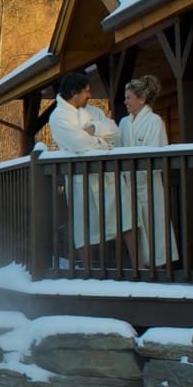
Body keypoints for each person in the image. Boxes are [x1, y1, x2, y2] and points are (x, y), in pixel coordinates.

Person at [48, 71, 126, 252]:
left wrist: (95, 127)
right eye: (86, 91)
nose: (89, 95)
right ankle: (87, 274)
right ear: (74, 92)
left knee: (123, 221)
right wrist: (104, 143)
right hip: (79, 180)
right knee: (84, 231)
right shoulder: (58, 117)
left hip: (103, 178)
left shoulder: (88, 113)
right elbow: (80, 143)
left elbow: (115, 130)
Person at [118, 74, 178, 267]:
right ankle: (140, 266)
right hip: (128, 185)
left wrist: (142, 175)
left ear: (142, 99)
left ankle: (158, 266)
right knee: (134, 225)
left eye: (129, 97)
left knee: (155, 224)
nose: (125, 101)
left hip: (149, 184)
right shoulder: (124, 123)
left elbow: (159, 155)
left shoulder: (154, 122)